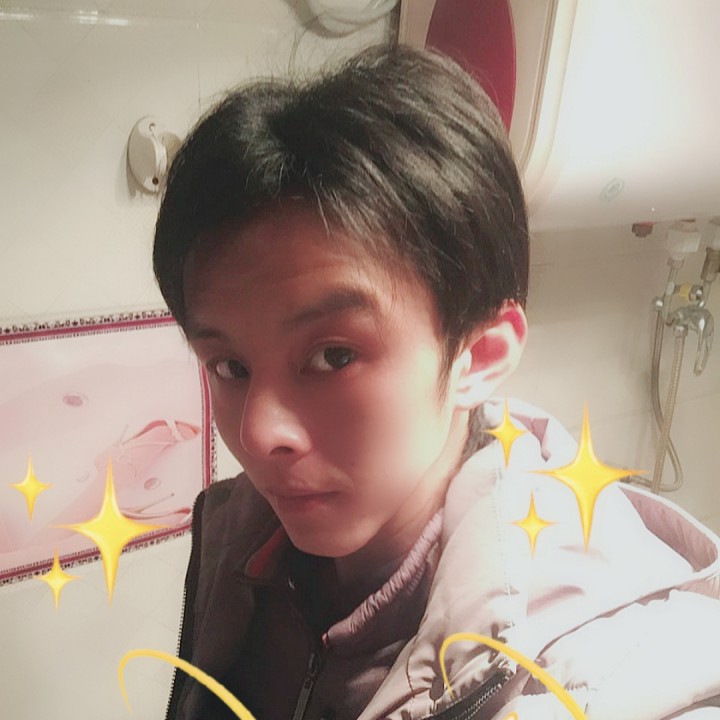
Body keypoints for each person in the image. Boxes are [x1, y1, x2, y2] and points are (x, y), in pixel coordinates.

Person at [153, 45, 720, 720]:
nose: (257, 432)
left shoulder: (602, 677)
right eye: (230, 367)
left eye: (333, 356)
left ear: (478, 355)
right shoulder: (242, 543)